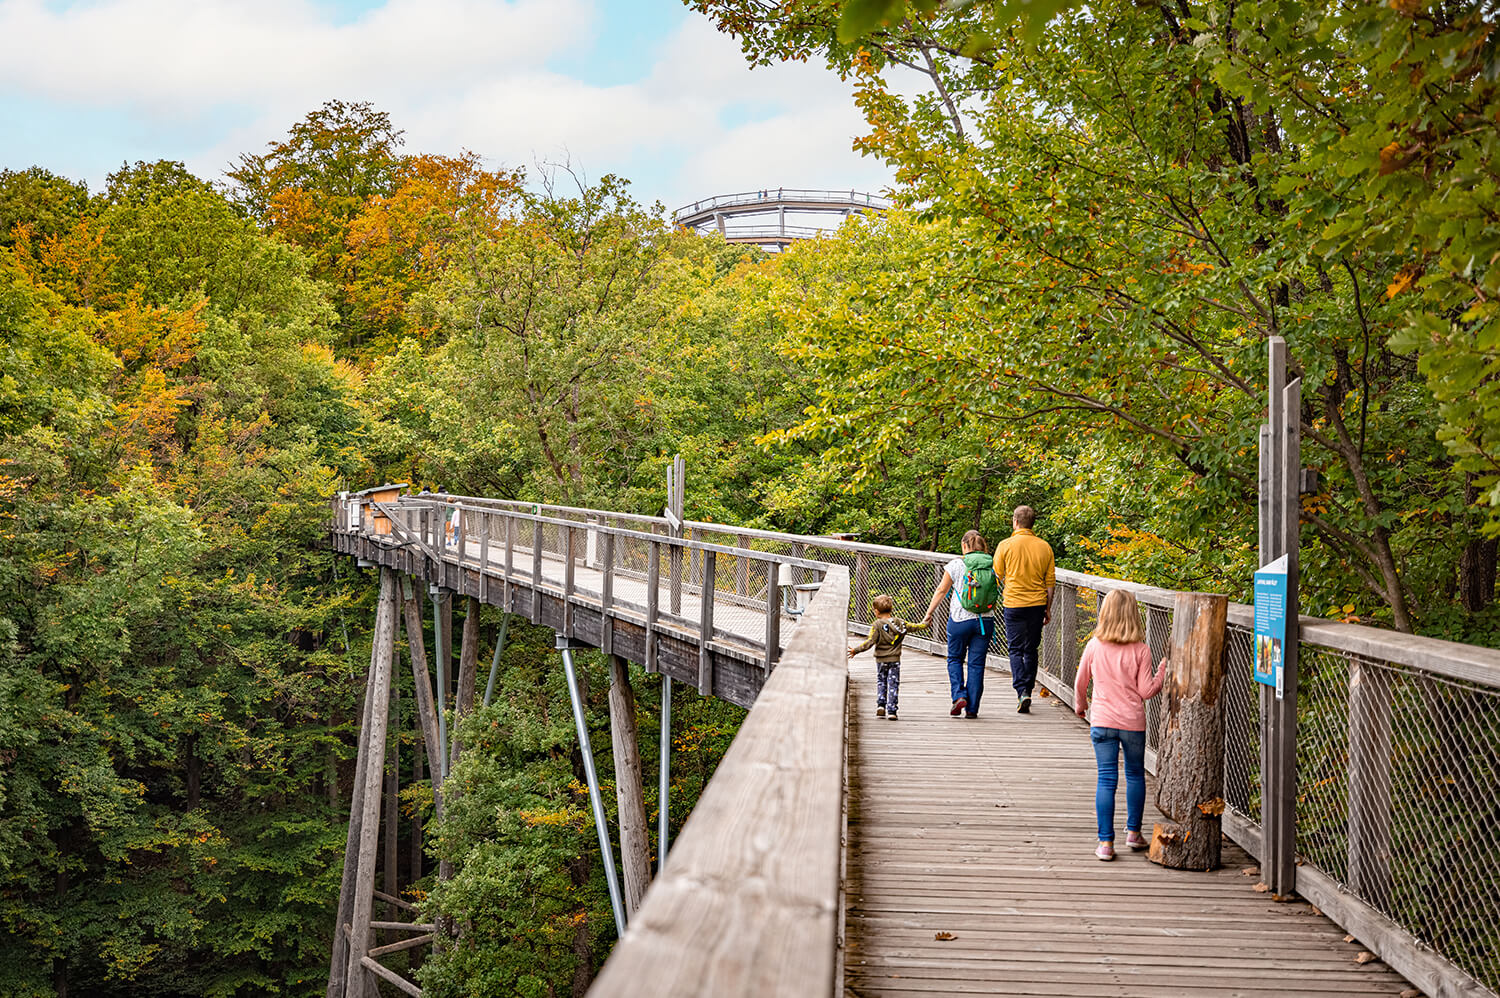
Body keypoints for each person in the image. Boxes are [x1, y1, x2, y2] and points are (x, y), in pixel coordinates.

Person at [1073, 589, 1167, 861]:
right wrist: (1163, 670)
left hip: (1102, 720)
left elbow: (1081, 683)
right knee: (1136, 774)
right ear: (1133, 615)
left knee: (1106, 778)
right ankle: (1134, 833)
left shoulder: (1093, 646)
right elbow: (1147, 691)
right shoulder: (1141, 650)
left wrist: (1081, 705)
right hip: (1132, 722)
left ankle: (1105, 843)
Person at [921, 530, 995, 719]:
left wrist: (929, 613)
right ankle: (972, 709)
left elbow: (941, 590)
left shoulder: (956, 564)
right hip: (985, 621)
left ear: (964, 546)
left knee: (954, 658)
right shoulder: (991, 564)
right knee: (976, 664)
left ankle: (958, 696)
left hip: (960, 620)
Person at [992, 505, 1056, 714]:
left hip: (1013, 604)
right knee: (1031, 649)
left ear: (1015, 521)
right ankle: (1027, 688)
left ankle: (1021, 691)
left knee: (1015, 649)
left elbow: (997, 576)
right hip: (1037, 604)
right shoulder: (1044, 547)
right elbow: (1050, 582)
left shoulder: (1005, 545)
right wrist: (1048, 608)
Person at [847, 594, 927, 720]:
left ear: (876, 611)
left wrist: (856, 650)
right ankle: (892, 711)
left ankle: (881, 705)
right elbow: (914, 627)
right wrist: (925, 624)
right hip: (895, 660)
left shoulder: (877, 625)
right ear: (891, 609)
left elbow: (870, 642)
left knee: (881, 681)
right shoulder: (900, 623)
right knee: (893, 683)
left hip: (881, 660)